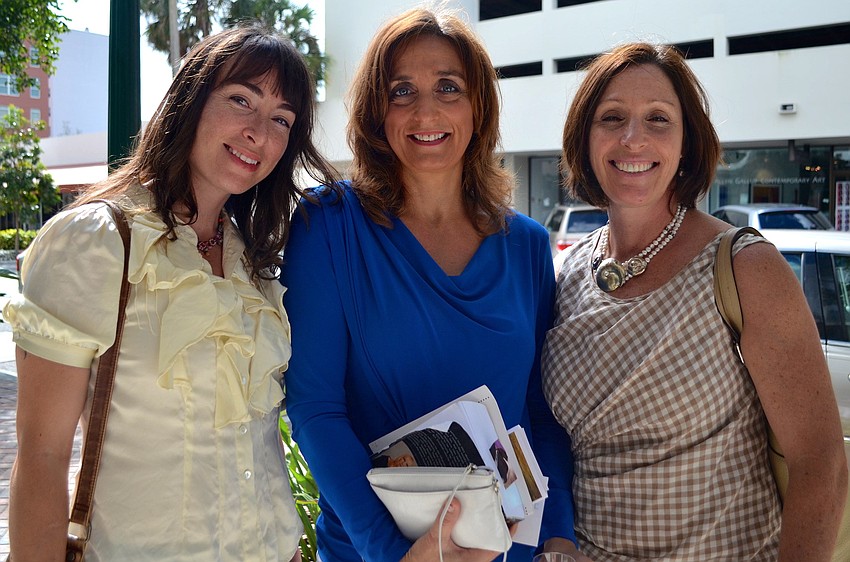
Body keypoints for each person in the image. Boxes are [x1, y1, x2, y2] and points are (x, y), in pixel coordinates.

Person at [5, 24, 339, 561]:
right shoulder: (95, 242)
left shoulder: (254, 266)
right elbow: (42, 455)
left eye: (281, 119)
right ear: (190, 101)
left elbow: (256, 444)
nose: (259, 131)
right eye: (241, 100)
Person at [280, 7, 584, 562]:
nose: (426, 110)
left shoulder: (528, 247)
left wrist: (558, 532)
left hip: (509, 549)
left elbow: (540, 410)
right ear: (377, 112)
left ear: (478, 107)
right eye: (401, 90)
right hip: (377, 551)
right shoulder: (327, 226)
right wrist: (391, 553)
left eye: (449, 86)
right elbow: (314, 408)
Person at [542, 42, 848, 561]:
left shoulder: (744, 267)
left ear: (686, 142)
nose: (632, 138)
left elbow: (820, 465)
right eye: (612, 117)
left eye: (658, 119)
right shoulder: (569, 274)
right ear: (585, 139)